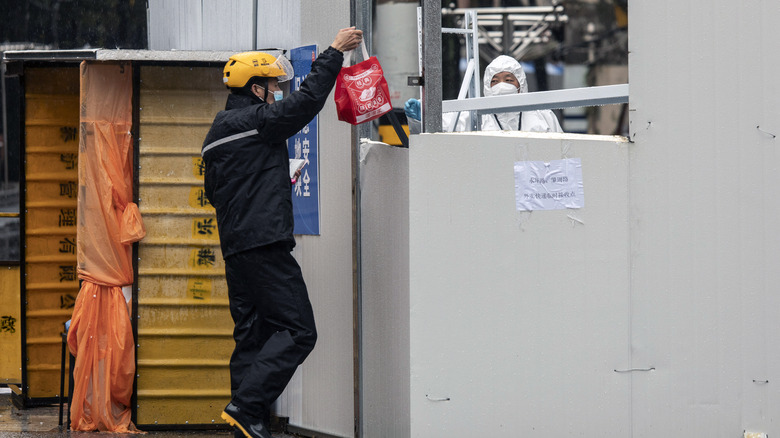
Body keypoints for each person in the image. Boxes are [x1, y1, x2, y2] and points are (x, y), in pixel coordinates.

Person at [201, 27, 363, 438]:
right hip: (264, 245)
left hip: (237, 250)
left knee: (252, 334)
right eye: (273, 86)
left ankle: (247, 422)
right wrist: (334, 53)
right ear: (256, 89)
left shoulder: (217, 134)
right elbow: (305, 103)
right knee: (298, 329)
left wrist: (274, 182)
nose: (276, 92)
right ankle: (246, 405)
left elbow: (221, 193)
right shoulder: (254, 121)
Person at [405, 55, 563, 133]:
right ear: (487, 88)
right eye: (495, 81)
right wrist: (422, 118)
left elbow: (563, 150)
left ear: (521, 85)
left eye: (508, 79)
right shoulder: (476, 116)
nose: (502, 85)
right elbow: (441, 128)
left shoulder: (542, 115)